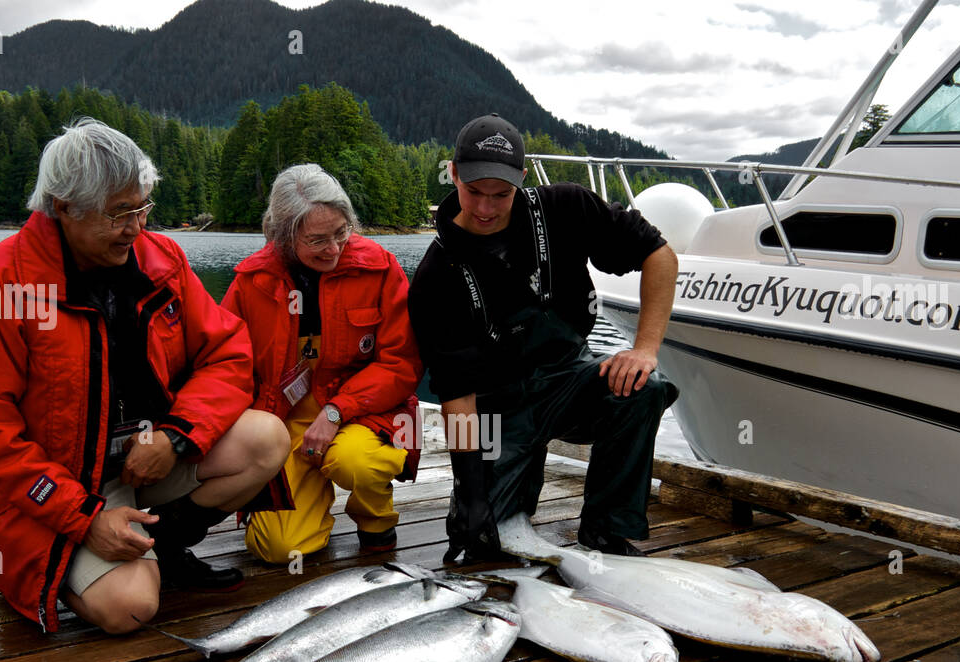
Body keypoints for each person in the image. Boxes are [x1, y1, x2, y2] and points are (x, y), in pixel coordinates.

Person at [0, 118, 290, 634]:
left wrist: (175, 435)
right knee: (129, 610)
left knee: (266, 438)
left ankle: (160, 547)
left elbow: (228, 354)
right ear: (63, 207)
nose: (136, 227)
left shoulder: (161, 259)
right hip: (55, 490)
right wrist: (83, 517)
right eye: (119, 213)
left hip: (146, 460)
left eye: (142, 207)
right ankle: (74, 562)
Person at [409, 113, 680, 561]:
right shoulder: (437, 274)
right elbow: (458, 396)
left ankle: (606, 532)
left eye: (501, 194)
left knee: (641, 388)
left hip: (568, 375)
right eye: (474, 191)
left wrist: (645, 349)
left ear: (523, 179)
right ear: (453, 173)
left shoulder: (567, 207)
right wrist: (470, 491)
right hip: (496, 405)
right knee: (483, 539)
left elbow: (660, 255)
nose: (485, 208)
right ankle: (497, 497)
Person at [222, 164, 423, 564]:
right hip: (282, 423)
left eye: (341, 232)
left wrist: (335, 411)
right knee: (281, 550)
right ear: (282, 234)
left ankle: (375, 519)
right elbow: (225, 365)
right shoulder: (250, 282)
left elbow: (401, 363)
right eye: (317, 239)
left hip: (361, 413)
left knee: (358, 462)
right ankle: (309, 504)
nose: (333, 248)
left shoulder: (381, 267)